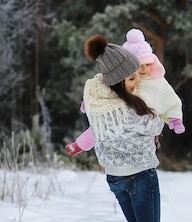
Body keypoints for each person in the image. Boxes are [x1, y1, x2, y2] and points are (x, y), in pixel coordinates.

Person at [82, 34, 165, 222]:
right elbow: (155, 123)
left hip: (115, 179)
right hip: (140, 177)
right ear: (116, 81)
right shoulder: (127, 111)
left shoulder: (96, 100)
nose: (137, 82)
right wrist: (154, 115)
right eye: (131, 79)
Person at [65, 28, 184, 157]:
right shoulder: (120, 81)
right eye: (139, 65)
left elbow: (169, 98)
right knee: (100, 127)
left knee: (143, 136)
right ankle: (80, 145)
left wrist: (175, 119)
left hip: (145, 123)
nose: (143, 69)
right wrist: (89, 103)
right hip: (119, 119)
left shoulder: (157, 82)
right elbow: (102, 92)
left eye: (148, 64)